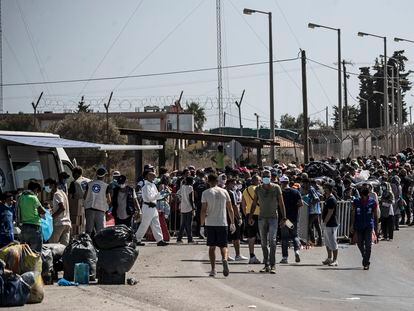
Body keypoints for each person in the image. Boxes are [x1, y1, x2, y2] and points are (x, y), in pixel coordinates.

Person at [249, 170, 287, 274]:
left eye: (268, 176)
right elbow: (253, 203)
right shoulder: (258, 189)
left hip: (273, 218)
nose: (266, 178)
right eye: (264, 176)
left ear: (271, 177)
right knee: (263, 243)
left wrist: (284, 217)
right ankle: (266, 264)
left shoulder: (276, 188)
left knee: (273, 241)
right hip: (262, 218)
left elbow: (281, 203)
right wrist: (250, 216)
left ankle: (273, 264)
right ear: (261, 178)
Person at [201, 174, 236, 277]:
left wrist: (201, 225)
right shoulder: (224, 192)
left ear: (208, 181)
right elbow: (230, 208)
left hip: (210, 223)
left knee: (212, 247)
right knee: (223, 246)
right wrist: (232, 222)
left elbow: (203, 210)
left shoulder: (205, 193)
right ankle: (224, 259)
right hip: (223, 222)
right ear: (217, 181)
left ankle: (213, 269)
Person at [135, 171, 169, 246]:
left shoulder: (153, 185)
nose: (154, 177)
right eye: (151, 175)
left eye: (154, 176)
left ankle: (160, 240)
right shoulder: (145, 186)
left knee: (156, 224)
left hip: (153, 207)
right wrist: (160, 193)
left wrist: (163, 194)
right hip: (147, 207)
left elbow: (157, 196)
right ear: (147, 176)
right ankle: (137, 239)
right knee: (144, 224)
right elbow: (150, 198)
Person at [350, 183, 379, 270]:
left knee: (368, 245)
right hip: (358, 226)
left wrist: (376, 229)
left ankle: (366, 262)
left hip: (368, 226)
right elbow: (353, 213)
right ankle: (365, 256)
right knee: (359, 243)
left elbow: (375, 215)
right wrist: (352, 225)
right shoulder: (356, 201)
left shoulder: (373, 202)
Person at [279, 175, 302, 264]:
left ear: (281, 183)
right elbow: (301, 204)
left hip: (284, 219)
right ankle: (296, 251)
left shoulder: (280, 193)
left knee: (284, 238)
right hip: (293, 218)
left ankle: (285, 257)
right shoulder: (295, 192)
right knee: (295, 236)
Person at [18, 181, 46, 252]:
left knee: (25, 252)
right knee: (35, 253)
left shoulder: (21, 197)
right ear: (36, 189)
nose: (37, 194)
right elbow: (42, 211)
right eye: (37, 192)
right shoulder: (33, 198)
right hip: (34, 228)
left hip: (24, 228)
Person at [84, 167, 111, 237]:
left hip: (89, 209)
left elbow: (85, 196)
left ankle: (87, 245)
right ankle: (99, 246)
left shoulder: (89, 184)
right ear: (104, 176)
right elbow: (109, 200)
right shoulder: (106, 186)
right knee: (100, 232)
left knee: (88, 231)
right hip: (100, 210)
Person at [44, 178, 72, 245]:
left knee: (52, 245)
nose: (46, 188)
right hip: (67, 223)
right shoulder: (63, 193)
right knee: (64, 246)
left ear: (53, 185)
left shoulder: (56, 194)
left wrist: (51, 217)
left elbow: (62, 208)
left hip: (59, 223)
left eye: (47, 185)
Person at [225, 179, 247, 261]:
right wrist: (239, 218)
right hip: (232, 217)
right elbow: (234, 207)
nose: (235, 185)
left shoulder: (223, 191)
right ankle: (238, 255)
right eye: (233, 184)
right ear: (228, 184)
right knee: (236, 237)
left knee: (226, 238)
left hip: (224, 217)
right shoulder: (231, 193)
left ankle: (226, 255)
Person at [241, 175, 261, 264]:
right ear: (257, 181)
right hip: (260, 214)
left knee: (251, 237)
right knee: (263, 236)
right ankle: (266, 257)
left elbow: (243, 204)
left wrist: (247, 215)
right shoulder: (260, 189)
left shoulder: (246, 190)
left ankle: (252, 256)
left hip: (249, 215)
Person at [68, 166, 90, 235]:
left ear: (76, 174)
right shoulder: (90, 181)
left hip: (78, 208)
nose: (72, 176)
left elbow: (70, 197)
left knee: (79, 228)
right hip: (90, 206)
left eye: (73, 174)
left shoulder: (74, 183)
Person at [321, 184, 339, 267]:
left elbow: (330, 212)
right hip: (327, 224)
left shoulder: (331, 199)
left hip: (331, 224)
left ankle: (335, 260)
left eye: (325, 189)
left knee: (333, 242)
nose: (324, 190)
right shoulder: (327, 198)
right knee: (327, 242)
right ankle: (329, 258)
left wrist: (325, 222)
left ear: (329, 189)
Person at [302, 179, 322, 246]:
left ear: (307, 183)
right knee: (317, 226)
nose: (303, 185)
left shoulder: (311, 189)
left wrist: (310, 204)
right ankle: (319, 242)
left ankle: (313, 240)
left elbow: (317, 199)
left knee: (309, 226)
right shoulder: (311, 189)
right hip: (315, 211)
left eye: (304, 184)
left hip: (313, 211)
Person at [176, 176, 195, 244]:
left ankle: (179, 238)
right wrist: (193, 207)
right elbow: (191, 199)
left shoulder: (183, 187)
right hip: (189, 207)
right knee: (189, 224)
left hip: (183, 207)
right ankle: (190, 239)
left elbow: (178, 194)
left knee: (183, 224)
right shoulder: (190, 187)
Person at [193, 170, 208, 239]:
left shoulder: (196, 183)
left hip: (199, 202)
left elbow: (195, 193)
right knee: (206, 216)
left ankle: (198, 232)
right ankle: (205, 232)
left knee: (199, 217)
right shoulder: (206, 183)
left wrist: (196, 201)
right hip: (205, 202)